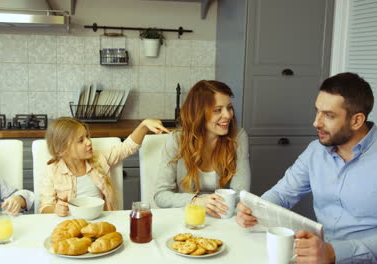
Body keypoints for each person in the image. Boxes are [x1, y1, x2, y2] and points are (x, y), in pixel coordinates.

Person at [236, 72, 377, 263]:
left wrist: (334, 252)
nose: (316, 122)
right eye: (317, 111)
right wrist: (254, 210)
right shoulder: (315, 151)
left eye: (329, 115)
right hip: (316, 255)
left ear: (356, 121)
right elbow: (282, 193)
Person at [154, 80, 251, 218]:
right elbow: (161, 195)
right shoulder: (176, 140)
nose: (228, 115)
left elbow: (241, 193)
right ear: (198, 114)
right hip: (188, 217)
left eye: (229, 108)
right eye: (218, 110)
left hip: (223, 217)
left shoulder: (238, 137)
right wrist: (196, 201)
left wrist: (212, 203)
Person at [39, 117, 169, 216]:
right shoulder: (52, 171)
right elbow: (45, 207)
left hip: (103, 220)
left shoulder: (99, 159)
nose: (89, 142)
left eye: (87, 136)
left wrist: (144, 126)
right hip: (70, 225)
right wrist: (56, 209)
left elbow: (127, 147)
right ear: (62, 150)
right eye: (81, 140)